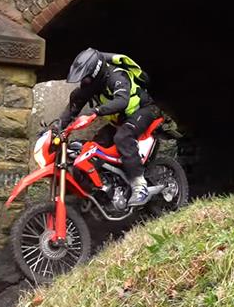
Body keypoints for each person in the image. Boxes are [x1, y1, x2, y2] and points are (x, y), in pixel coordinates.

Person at [56, 48, 160, 207]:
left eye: (86, 79)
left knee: (123, 137)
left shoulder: (117, 76)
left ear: (95, 72)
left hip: (144, 111)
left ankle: (140, 186)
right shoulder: (91, 86)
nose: (84, 83)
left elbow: (122, 101)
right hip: (120, 119)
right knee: (94, 145)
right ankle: (105, 188)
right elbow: (73, 108)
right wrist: (55, 129)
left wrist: (95, 112)